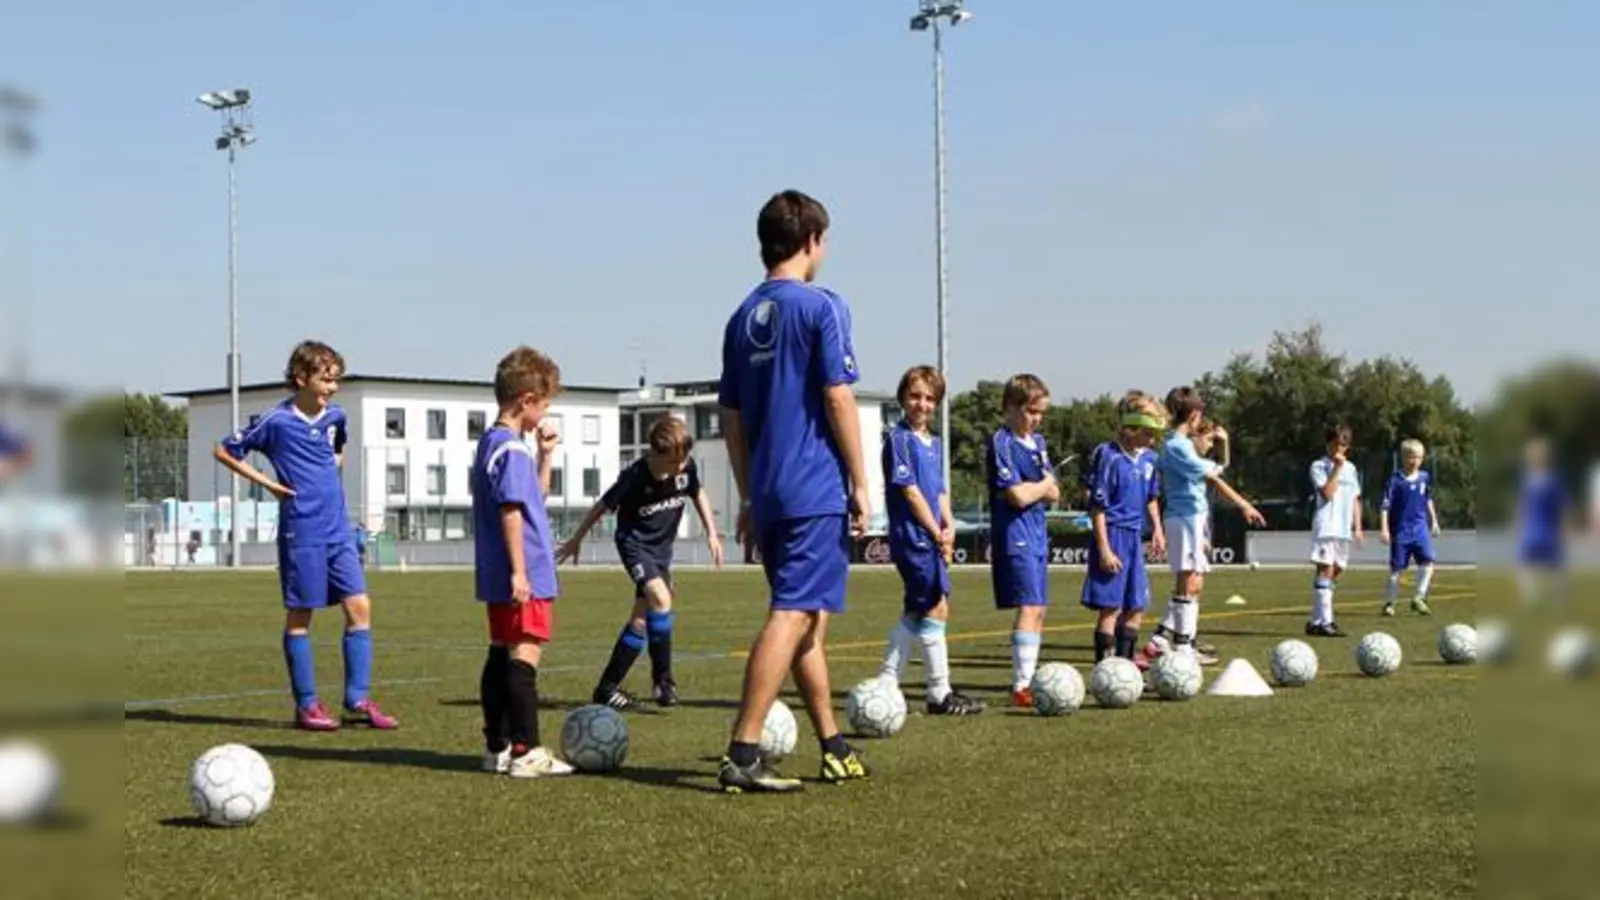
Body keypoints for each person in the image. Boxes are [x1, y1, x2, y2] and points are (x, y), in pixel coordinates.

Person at [715, 188, 871, 794]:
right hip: (813, 489)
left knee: (805, 618)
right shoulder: (822, 307)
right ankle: (744, 751)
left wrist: (750, 494)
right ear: (811, 242)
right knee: (794, 613)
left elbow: (730, 417)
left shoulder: (740, 316)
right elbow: (837, 396)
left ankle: (832, 742)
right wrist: (861, 481)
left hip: (773, 494)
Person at [213, 340, 398, 731]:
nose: (332, 387)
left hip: (339, 530)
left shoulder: (337, 417)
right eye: (325, 379)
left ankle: (357, 698)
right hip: (303, 530)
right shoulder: (276, 421)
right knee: (301, 616)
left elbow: (339, 449)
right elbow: (225, 450)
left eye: (336, 380)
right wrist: (270, 484)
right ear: (301, 378)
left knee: (360, 607)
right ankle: (307, 706)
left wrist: (331, 474)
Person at [557, 415, 724, 710]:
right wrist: (575, 540)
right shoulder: (634, 476)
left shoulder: (685, 468)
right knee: (661, 599)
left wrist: (712, 533)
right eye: (675, 461)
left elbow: (697, 493)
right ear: (656, 455)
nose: (681, 466)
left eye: (685, 459)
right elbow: (602, 506)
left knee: (642, 619)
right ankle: (663, 681)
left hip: (661, 551)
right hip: (634, 546)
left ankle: (607, 689)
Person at [470, 345, 575, 778]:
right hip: (523, 570)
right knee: (524, 655)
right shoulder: (511, 450)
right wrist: (520, 571)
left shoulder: (494, 445)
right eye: (544, 405)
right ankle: (526, 749)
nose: (545, 415)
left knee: (499, 654)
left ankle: (497, 745)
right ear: (525, 401)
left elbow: (533, 498)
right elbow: (513, 511)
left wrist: (545, 455)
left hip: (498, 571)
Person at [875, 365, 984, 715]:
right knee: (936, 604)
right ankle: (939, 692)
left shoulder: (934, 443)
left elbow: (938, 492)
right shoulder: (899, 440)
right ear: (903, 398)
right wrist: (935, 532)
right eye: (915, 396)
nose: (921, 404)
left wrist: (949, 524)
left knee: (917, 608)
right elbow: (910, 492)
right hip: (913, 536)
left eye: (929, 398)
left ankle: (887, 683)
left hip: (933, 535)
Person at [1142, 386, 1265, 666]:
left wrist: (1223, 444)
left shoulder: (1180, 445)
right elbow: (1214, 478)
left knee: (1193, 582)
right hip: (1185, 516)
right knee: (1190, 581)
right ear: (1195, 415)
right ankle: (1182, 646)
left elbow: (1217, 468)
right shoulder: (1177, 446)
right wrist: (1244, 505)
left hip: (1191, 516)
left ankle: (1162, 641)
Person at [987, 374, 1058, 708]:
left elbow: (1055, 492)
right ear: (1011, 408)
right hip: (1014, 532)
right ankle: (1022, 685)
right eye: (1031, 411)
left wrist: (1041, 488)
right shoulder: (1001, 442)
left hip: (1038, 530)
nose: (1036, 419)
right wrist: (1041, 487)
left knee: (1039, 608)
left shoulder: (1039, 444)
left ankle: (1028, 678)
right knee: (1028, 605)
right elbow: (1016, 496)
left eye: (1040, 412)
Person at [1081, 391, 1167, 663]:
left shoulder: (1150, 459)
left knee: (1137, 605)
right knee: (1111, 606)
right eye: (1148, 432)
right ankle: (1104, 668)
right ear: (1130, 427)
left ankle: (1126, 665)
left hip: (1134, 536)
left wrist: (1157, 529)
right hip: (1113, 534)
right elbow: (1098, 507)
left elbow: (1151, 498)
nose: (1152, 440)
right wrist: (1104, 548)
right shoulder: (1107, 455)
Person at [1306, 423, 1363, 637]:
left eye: (1344, 445)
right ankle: (1326, 621)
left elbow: (1355, 498)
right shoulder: (1318, 466)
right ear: (1328, 443)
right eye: (1336, 445)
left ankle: (1316, 620)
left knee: (1337, 570)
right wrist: (1337, 468)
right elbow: (1327, 494)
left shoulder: (1352, 468)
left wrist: (1358, 527)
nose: (1339, 450)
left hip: (1343, 528)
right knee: (1326, 569)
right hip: (1326, 525)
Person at [1379, 439, 1440, 616]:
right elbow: (1384, 506)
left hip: (1420, 530)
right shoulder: (1394, 481)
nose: (1415, 461)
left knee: (1428, 562)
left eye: (1419, 457)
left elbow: (1428, 499)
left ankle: (1418, 598)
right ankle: (1389, 603)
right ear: (1403, 458)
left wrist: (1434, 521)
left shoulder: (1424, 477)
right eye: (1411, 457)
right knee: (1396, 569)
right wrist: (1384, 529)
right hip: (1401, 532)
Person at [1516, 436, 1569, 606]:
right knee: (1525, 565)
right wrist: (1517, 523)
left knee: (1555, 566)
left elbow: (1562, 506)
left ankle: (1559, 598)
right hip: (1531, 530)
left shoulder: (1553, 481)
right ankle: (1532, 599)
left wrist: (1564, 527)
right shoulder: (1527, 480)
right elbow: (1523, 505)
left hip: (1548, 530)